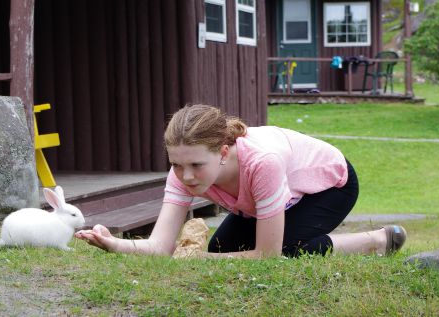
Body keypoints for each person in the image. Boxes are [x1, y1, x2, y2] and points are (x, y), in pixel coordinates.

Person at [75, 104, 407, 259]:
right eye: (176, 164)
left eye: (195, 165)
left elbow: (266, 256)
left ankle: (376, 241)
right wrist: (115, 244)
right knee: (225, 251)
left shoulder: (262, 163)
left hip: (329, 187)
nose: (186, 176)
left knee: (285, 252)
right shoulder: (182, 172)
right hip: (271, 198)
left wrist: (201, 262)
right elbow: (161, 246)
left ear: (223, 152)